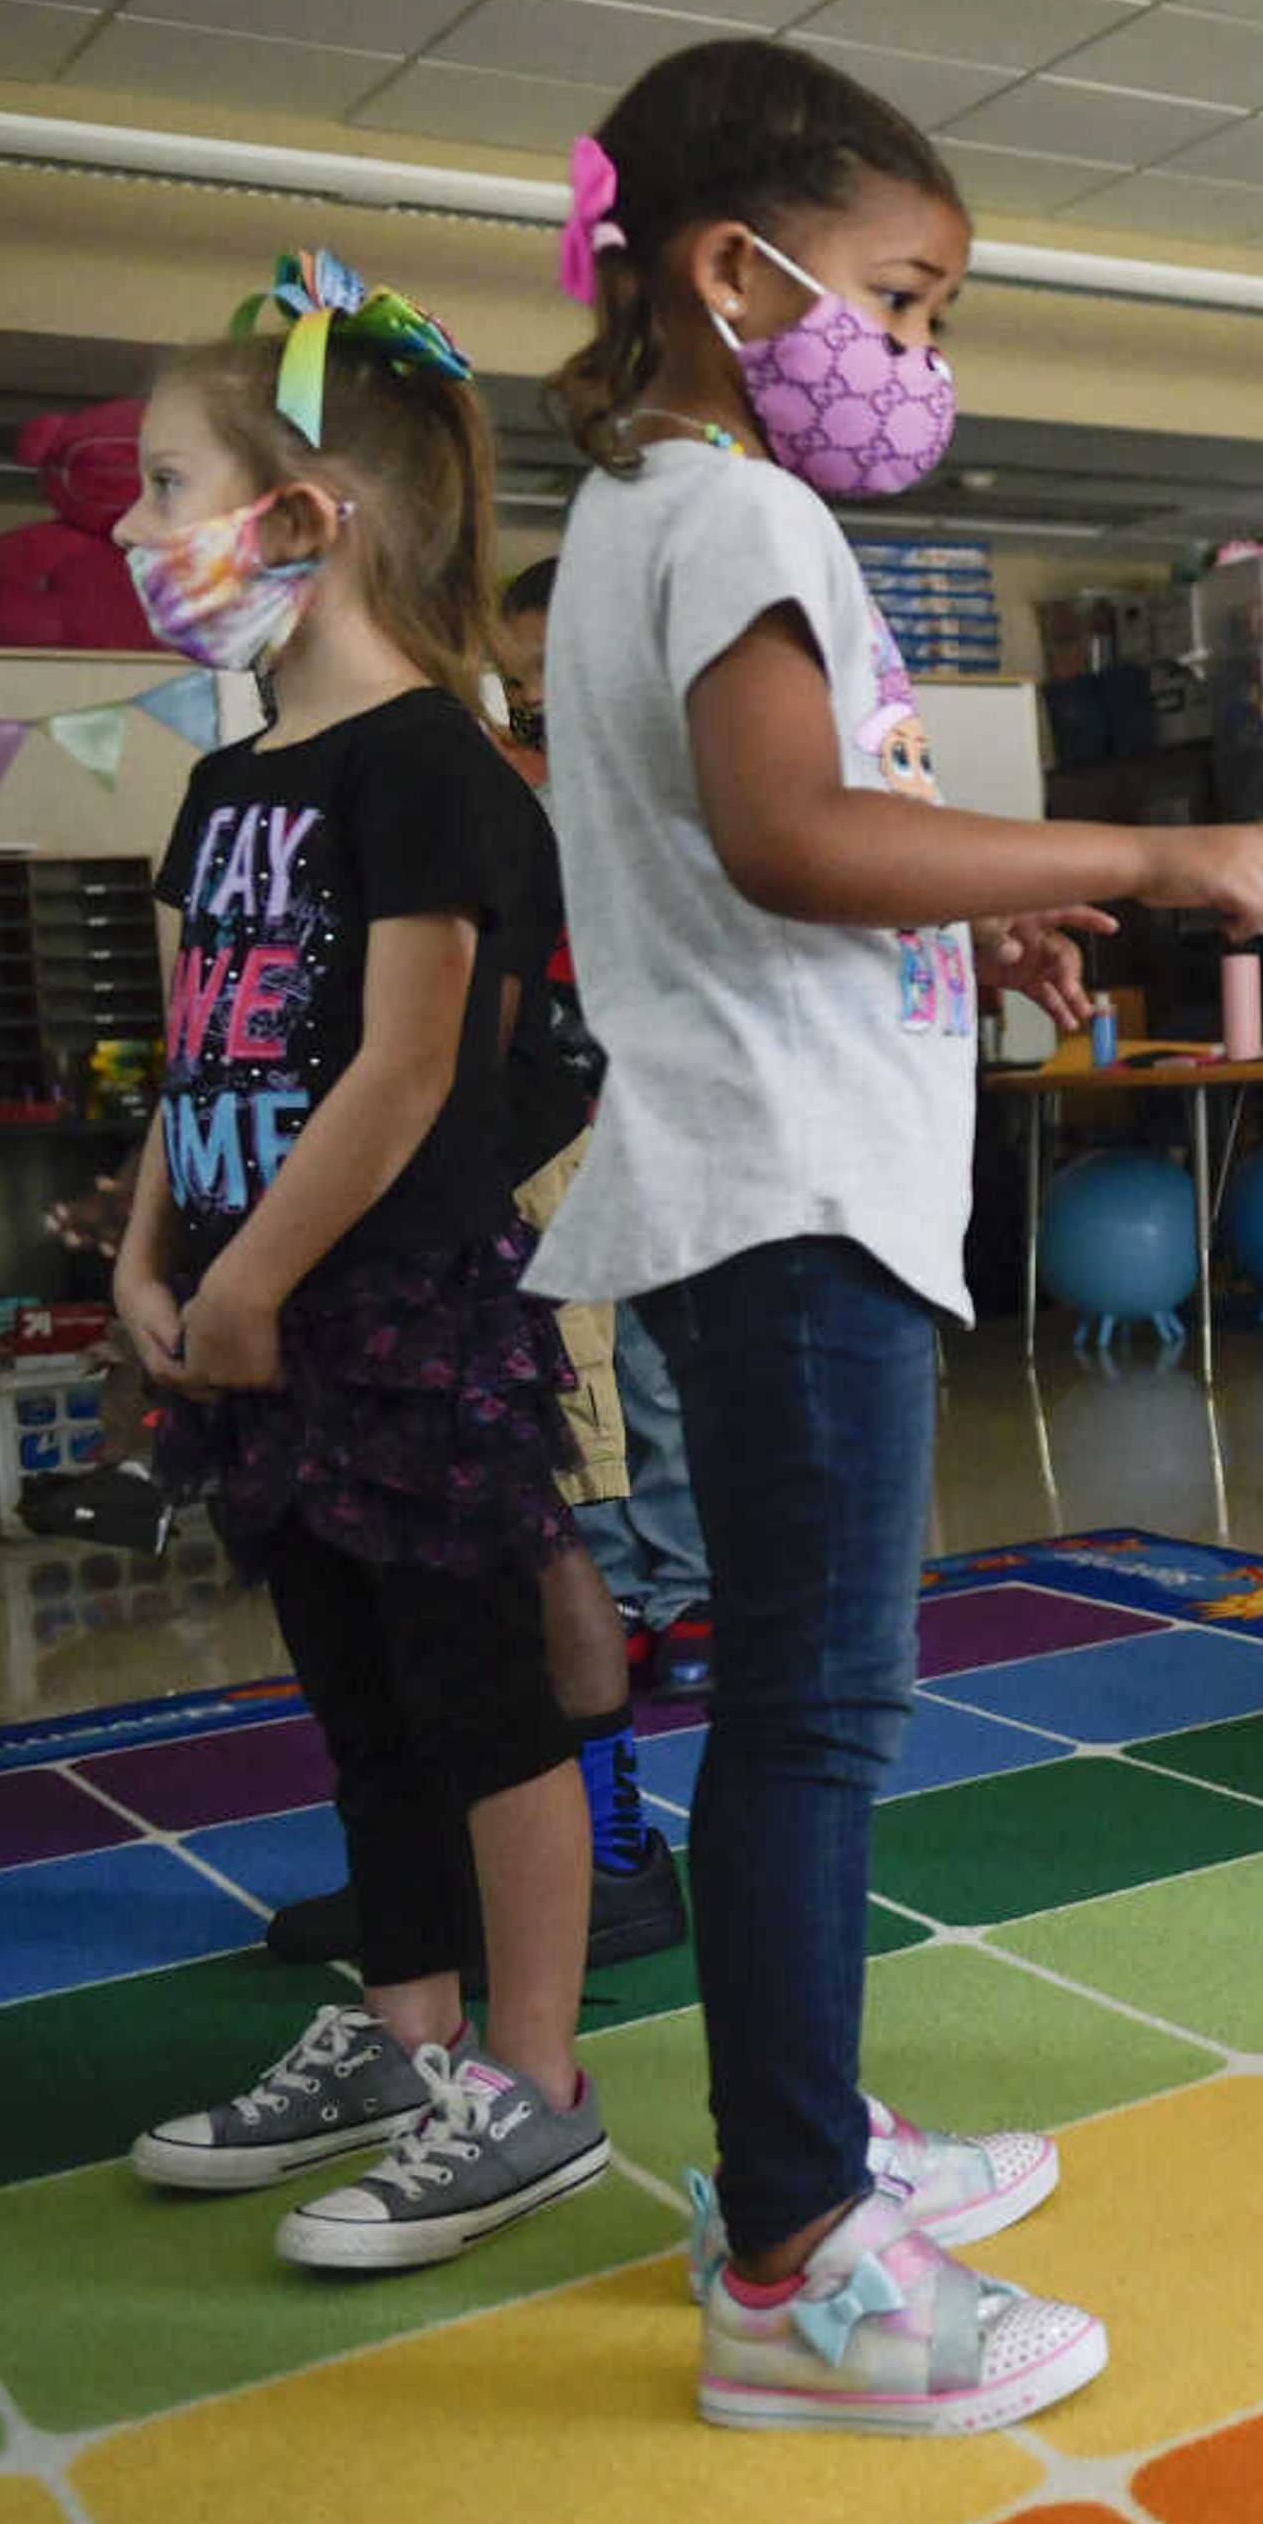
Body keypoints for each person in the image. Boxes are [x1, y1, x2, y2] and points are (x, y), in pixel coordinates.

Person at [534, 38, 1263, 2432]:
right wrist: (1129, 858)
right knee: (814, 1714)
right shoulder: (742, 519)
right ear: (731, 270)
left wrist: (964, 931)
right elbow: (788, 835)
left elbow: (776, 853)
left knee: (805, 1700)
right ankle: (788, 2260)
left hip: (769, 1173)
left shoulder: (647, 515)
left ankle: (802, 2140)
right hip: (788, 1199)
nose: (924, 360)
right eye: (904, 297)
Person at [111, 252, 611, 2266]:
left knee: (483, 1702)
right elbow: (199, 1042)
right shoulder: (233, 780)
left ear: (296, 522)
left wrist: (250, 1286)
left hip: (394, 1321)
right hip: (247, 1321)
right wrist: (159, 1261)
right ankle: (404, 2034)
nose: (138, 532)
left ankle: (537, 2080)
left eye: (163, 486)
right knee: (361, 1704)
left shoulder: (433, 774)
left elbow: (408, 1072)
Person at [258, 550, 690, 1976]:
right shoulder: (336, 765)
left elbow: (471, 1032)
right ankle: (434, 1867)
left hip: (507, 1177)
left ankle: (615, 1851)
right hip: (416, 1194)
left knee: (545, 1517)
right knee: (420, 1541)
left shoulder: (490, 774)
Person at [507, 556, 721, 1695]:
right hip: (543, 1126)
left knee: (650, 1367)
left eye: (552, 672)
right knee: (567, 1372)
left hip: (653, 1118)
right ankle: (616, 1585)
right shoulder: (517, 797)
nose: (535, 699)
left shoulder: (676, 784)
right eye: (517, 683)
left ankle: (687, 1586)